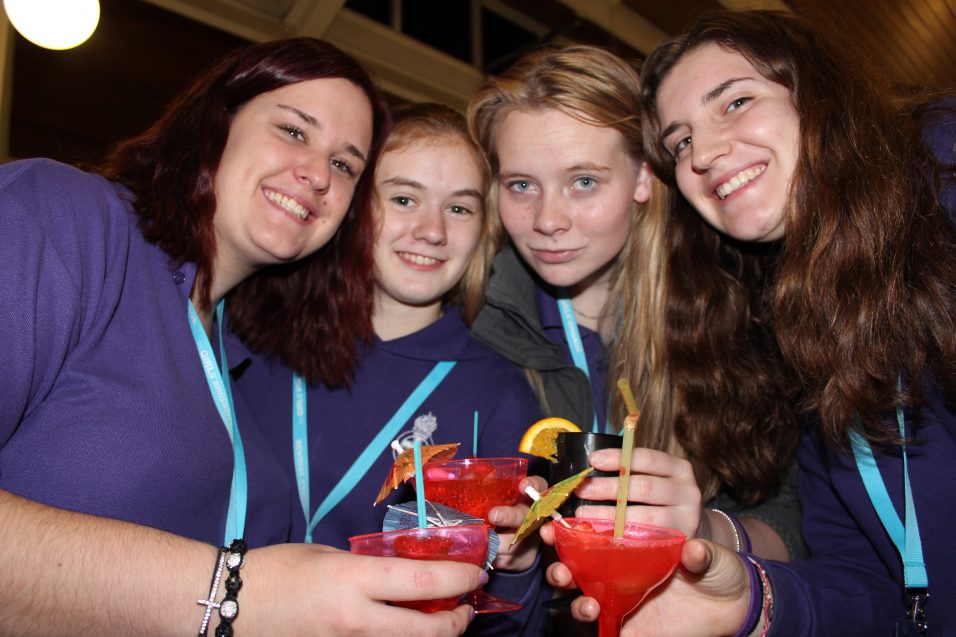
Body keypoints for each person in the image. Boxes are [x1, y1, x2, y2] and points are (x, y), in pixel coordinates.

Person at [0, 39, 483, 636]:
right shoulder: (62, 216)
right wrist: (231, 595)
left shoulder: (237, 352)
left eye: (344, 165)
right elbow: (236, 598)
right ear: (217, 123)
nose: (315, 174)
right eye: (294, 130)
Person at [545, 9, 956, 636]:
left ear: (819, 93)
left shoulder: (942, 174)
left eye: (735, 102)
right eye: (681, 141)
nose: (705, 152)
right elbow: (868, 579)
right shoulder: (791, 318)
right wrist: (751, 603)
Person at [466, 42, 802, 566]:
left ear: (644, 176)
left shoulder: (731, 310)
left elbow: (795, 526)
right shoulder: (470, 327)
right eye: (522, 185)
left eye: (583, 182)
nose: (548, 220)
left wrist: (704, 527)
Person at [239, 102, 550, 635]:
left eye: (459, 209)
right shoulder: (256, 338)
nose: (431, 231)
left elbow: (513, 626)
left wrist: (517, 570)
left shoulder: (501, 396)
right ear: (358, 208)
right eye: (404, 198)